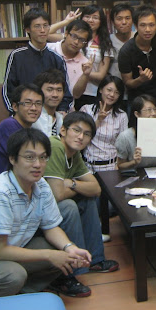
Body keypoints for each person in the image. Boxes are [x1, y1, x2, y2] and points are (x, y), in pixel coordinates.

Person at [0, 128, 92, 298]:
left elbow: (51, 227)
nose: (38, 164)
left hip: (12, 249)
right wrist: (49, 255)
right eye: (29, 157)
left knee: (65, 255)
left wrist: (70, 248)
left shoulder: (41, 185)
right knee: (14, 274)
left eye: (43, 157)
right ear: (12, 159)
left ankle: (18, 294)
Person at [44, 111, 120, 298]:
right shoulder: (55, 146)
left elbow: (96, 189)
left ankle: (95, 259)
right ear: (63, 130)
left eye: (86, 134)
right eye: (76, 130)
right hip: (36, 208)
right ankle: (68, 275)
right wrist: (77, 187)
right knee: (70, 206)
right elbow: (57, 195)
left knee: (88, 199)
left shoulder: (74, 154)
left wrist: (72, 183)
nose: (81, 137)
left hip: (53, 204)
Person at [2, 8, 72, 113]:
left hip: (52, 116)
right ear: (27, 29)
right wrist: (16, 114)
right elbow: (8, 90)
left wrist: (62, 111)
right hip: (23, 115)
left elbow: (65, 91)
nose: (42, 30)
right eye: (37, 26)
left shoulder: (57, 58)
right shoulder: (17, 56)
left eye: (45, 25)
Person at [0, 84, 44, 187]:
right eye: (28, 103)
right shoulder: (9, 126)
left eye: (38, 104)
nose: (34, 108)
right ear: (15, 107)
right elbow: (29, 160)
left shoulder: (29, 128)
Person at [118, 5, 156, 116]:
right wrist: (140, 79)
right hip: (137, 98)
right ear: (135, 26)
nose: (147, 30)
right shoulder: (126, 51)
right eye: (143, 25)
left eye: (151, 25)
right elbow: (128, 83)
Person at [80, 76, 128, 172]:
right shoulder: (86, 109)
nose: (112, 95)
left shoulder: (121, 115)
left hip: (109, 166)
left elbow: (123, 145)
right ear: (101, 89)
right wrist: (98, 120)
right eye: (109, 90)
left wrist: (118, 165)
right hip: (86, 166)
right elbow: (82, 137)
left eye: (116, 92)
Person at [115, 95, 156, 170]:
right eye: (149, 110)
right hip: (137, 174)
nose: (154, 113)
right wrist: (134, 162)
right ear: (137, 114)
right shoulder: (125, 137)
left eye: (155, 109)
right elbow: (120, 165)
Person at [46, 19, 93, 100]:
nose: (76, 42)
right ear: (66, 33)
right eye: (74, 36)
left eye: (82, 40)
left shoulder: (84, 63)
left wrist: (85, 75)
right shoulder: (48, 49)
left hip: (66, 104)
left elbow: (76, 95)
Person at [108, 3, 135, 109]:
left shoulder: (139, 38)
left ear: (133, 20)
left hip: (136, 93)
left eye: (127, 18)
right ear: (113, 22)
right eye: (119, 19)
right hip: (113, 94)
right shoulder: (107, 41)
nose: (124, 22)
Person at [32, 69, 65, 137]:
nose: (55, 95)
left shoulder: (62, 119)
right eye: (49, 90)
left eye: (59, 90)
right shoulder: (32, 117)